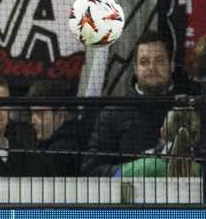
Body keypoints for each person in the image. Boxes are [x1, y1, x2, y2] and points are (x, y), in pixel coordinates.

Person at [82, 32, 197, 176]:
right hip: (129, 196)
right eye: (144, 62)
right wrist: (127, 172)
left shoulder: (194, 106)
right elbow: (91, 170)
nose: (151, 68)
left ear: (171, 65)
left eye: (159, 61)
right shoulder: (112, 114)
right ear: (135, 69)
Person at [19, 78, 89, 176]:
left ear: (61, 115)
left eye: (40, 113)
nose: (32, 121)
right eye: (32, 113)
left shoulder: (60, 153)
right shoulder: (56, 145)